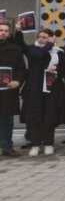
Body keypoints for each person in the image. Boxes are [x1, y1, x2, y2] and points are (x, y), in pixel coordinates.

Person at [14, 26, 60, 156]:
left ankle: (49, 143)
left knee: (49, 115)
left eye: (45, 38)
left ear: (50, 38)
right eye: (39, 37)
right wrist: (18, 31)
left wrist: (55, 69)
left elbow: (61, 68)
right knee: (35, 116)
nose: (41, 39)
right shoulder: (32, 49)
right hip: (34, 87)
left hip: (50, 87)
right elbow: (38, 55)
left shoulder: (57, 51)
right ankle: (35, 144)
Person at [0, 22, 27, 157]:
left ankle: (7, 147)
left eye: (6, 30)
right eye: (1, 30)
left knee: (7, 119)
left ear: (9, 33)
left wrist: (18, 81)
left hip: (9, 90)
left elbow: (22, 69)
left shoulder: (15, 49)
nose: (3, 32)